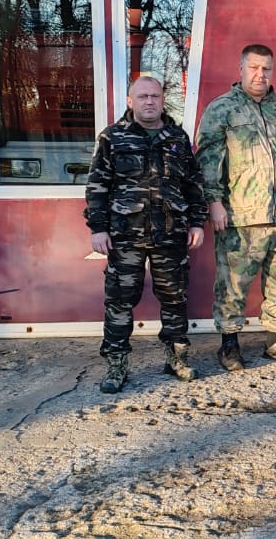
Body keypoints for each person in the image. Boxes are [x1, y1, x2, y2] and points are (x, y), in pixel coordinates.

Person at [85, 75, 207, 394]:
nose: (149, 101)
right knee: (120, 301)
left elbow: (194, 184)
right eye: (142, 97)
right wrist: (97, 228)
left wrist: (197, 222)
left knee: (174, 298)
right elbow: (98, 186)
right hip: (126, 235)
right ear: (130, 101)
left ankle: (176, 357)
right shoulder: (112, 137)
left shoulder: (177, 137)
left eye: (154, 96)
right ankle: (116, 365)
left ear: (162, 99)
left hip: (171, 233)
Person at [195, 43, 276, 371]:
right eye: (254, 68)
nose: (261, 74)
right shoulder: (222, 109)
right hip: (241, 216)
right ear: (241, 69)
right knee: (233, 285)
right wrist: (214, 202)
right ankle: (229, 344)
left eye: (266, 68)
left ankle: (275, 340)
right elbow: (208, 161)